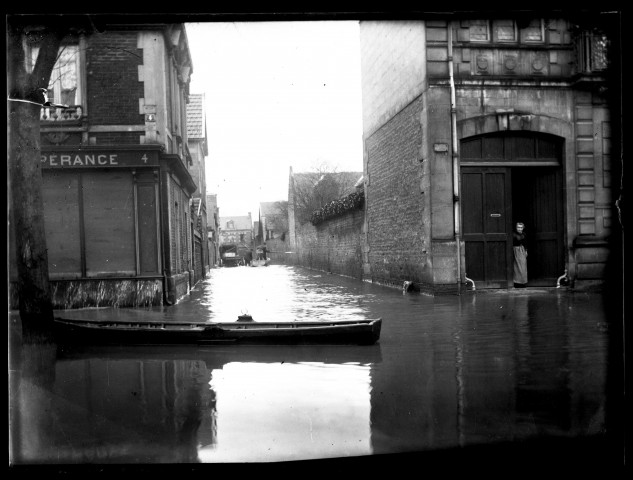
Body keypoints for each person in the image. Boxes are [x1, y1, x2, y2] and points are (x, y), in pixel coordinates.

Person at [513, 222, 528, 288]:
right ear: (516, 228)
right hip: (516, 250)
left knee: (523, 267)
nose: (519, 229)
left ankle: (522, 282)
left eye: (521, 227)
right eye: (518, 227)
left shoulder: (524, 234)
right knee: (517, 267)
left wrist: (526, 251)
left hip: (522, 250)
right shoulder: (513, 234)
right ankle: (517, 282)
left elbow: (525, 243)